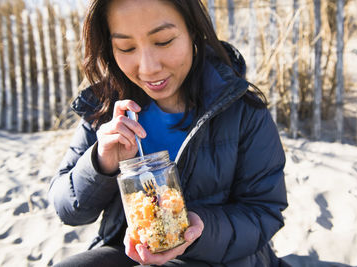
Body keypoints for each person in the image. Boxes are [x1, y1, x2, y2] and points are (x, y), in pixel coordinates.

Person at [49, 0, 288, 266]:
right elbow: (67, 210)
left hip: (218, 256)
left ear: (193, 31)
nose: (148, 67)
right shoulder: (106, 109)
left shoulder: (242, 110)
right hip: (129, 253)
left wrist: (198, 230)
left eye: (163, 41)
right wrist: (100, 163)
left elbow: (264, 212)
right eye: (126, 47)